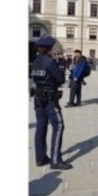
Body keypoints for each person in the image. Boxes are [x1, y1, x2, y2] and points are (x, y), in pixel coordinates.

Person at [29, 36, 71, 170]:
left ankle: (40, 158)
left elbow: (34, 78)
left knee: (41, 127)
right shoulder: (49, 61)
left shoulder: (35, 61)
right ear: (49, 48)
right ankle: (55, 160)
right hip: (49, 98)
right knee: (58, 126)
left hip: (38, 97)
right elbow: (60, 79)